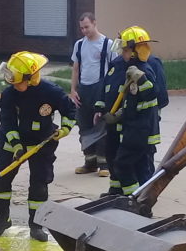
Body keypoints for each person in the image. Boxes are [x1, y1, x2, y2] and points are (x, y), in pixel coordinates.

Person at [0, 51, 78, 242]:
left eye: (18, 82)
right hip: (12, 142)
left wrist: (65, 129)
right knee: (0, 179)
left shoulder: (51, 92)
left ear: (30, 79)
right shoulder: (9, 94)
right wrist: (16, 145)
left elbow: (70, 110)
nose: (13, 85)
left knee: (39, 184)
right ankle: (2, 220)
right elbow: (7, 122)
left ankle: (36, 226)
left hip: (42, 142)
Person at [96, 26, 168, 196]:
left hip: (140, 128)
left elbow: (156, 95)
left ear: (136, 50)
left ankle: (138, 199)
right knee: (116, 160)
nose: (122, 54)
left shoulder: (148, 66)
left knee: (135, 164)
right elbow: (111, 89)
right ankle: (120, 193)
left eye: (126, 50)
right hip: (127, 125)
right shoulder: (122, 65)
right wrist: (114, 112)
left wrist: (141, 79)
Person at [69, 12, 113, 177]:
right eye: (81, 28)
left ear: (95, 23)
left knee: (101, 126)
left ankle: (104, 164)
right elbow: (76, 68)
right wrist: (73, 90)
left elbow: (114, 70)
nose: (84, 31)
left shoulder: (107, 44)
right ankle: (90, 162)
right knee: (84, 126)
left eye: (86, 27)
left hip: (100, 89)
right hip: (83, 90)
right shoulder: (79, 45)